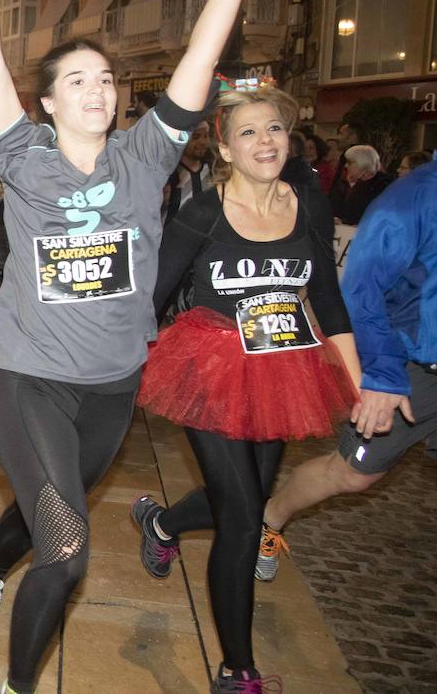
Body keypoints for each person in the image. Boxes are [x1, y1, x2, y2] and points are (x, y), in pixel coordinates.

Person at [0, 0, 268, 694]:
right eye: (77, 81)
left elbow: (199, 58)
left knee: (51, 509)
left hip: (112, 389)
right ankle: (19, 685)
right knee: (68, 548)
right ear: (47, 103)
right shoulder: (23, 158)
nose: (98, 90)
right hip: (30, 383)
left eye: (107, 80)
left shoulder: (145, 155)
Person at [130, 87, 360, 693]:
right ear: (226, 149)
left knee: (250, 503)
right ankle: (238, 671)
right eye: (250, 132)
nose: (266, 141)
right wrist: (109, 370)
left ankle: (163, 525)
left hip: (284, 364)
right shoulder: (202, 212)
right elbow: (150, 300)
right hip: (209, 366)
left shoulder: (309, 205)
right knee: (240, 520)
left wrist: (359, 388)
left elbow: (330, 302)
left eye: (276, 129)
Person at [255, 147, 437, 580]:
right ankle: (269, 518)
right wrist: (382, 374)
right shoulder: (418, 195)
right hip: (415, 369)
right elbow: (361, 289)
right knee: (351, 475)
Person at [164, 121, 213, 223]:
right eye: (196, 137)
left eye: (205, 136)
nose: (203, 142)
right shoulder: (169, 173)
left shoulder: (213, 170)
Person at [331, 144, 393, 225]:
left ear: (363, 163)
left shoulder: (382, 187)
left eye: (350, 162)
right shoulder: (359, 184)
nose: (346, 166)